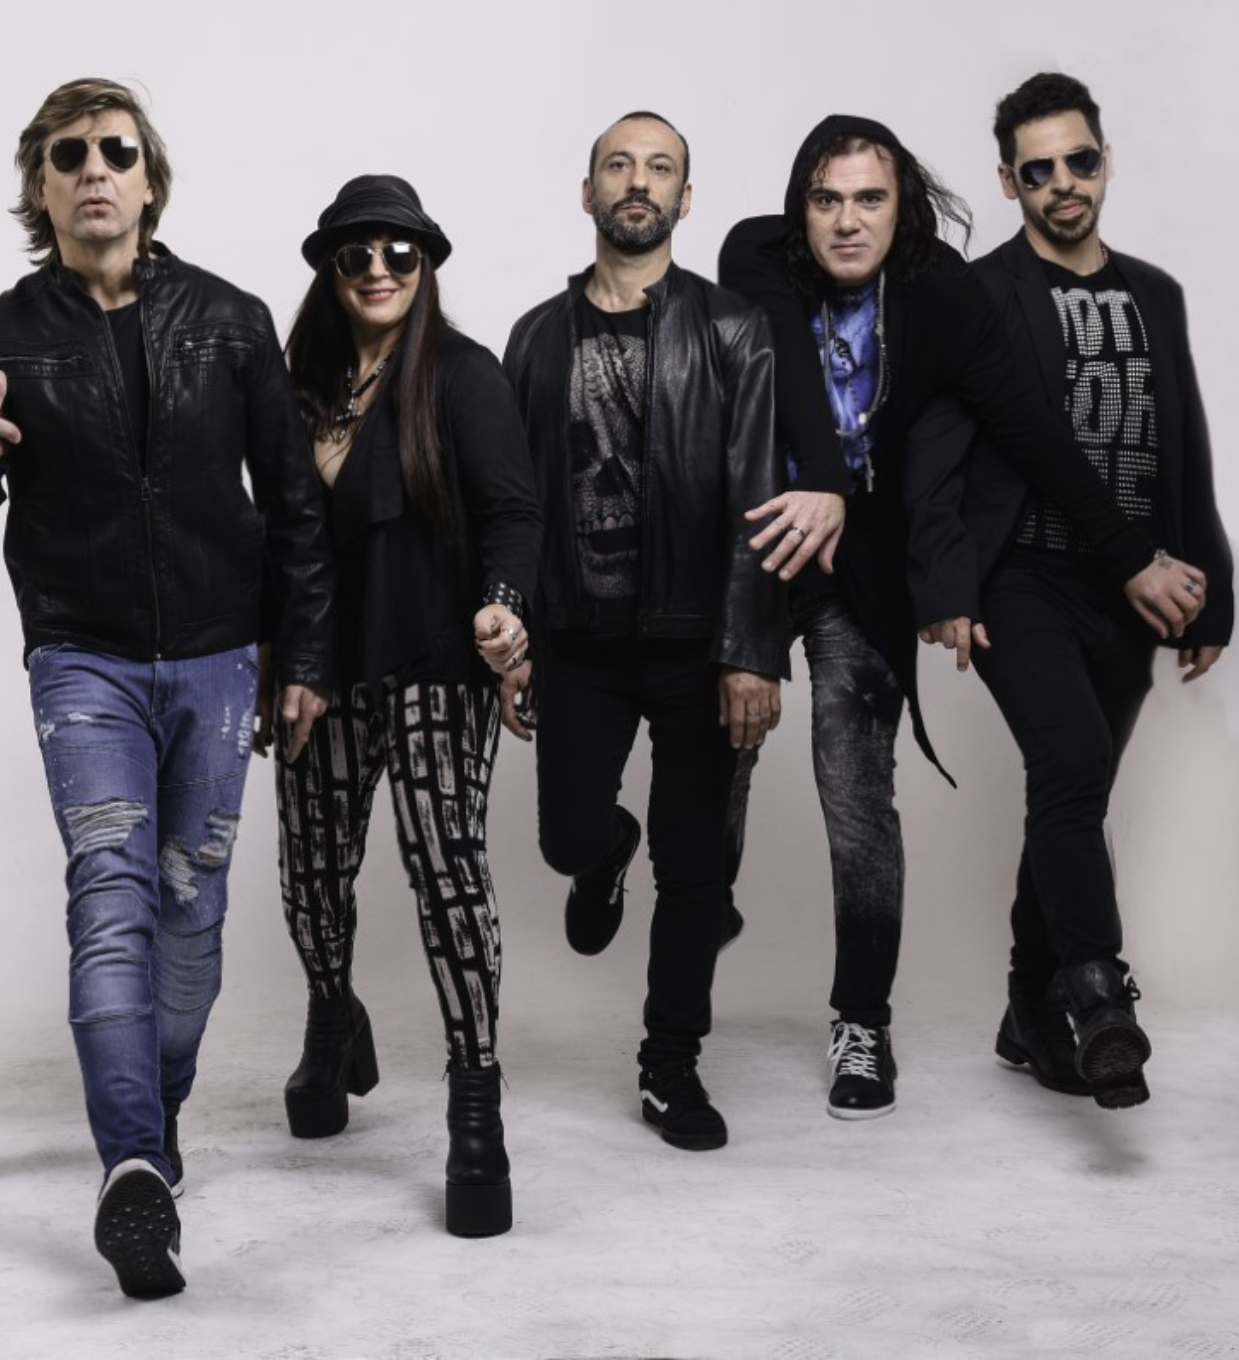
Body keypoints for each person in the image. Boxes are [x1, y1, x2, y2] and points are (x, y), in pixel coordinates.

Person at [0, 78, 335, 1298]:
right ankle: (131, 1163)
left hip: (218, 654)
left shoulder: (230, 319)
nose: (92, 168)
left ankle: (152, 1119)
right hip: (82, 657)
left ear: (148, 178)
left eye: (114, 150)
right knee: (110, 894)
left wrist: (304, 654)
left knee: (190, 910)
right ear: (39, 186)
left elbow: (292, 503)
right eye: (67, 154)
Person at [717, 114, 1206, 1121]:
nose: (845, 221)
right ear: (798, 205)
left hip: (862, 575)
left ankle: (862, 1020)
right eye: (824, 199)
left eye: (869, 198)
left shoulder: (938, 290)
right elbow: (793, 372)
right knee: (711, 759)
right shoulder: (754, 254)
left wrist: (1129, 555)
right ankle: (704, 895)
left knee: (858, 794)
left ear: (900, 209)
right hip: (758, 548)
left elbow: (1028, 430)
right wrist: (825, 480)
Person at [907, 72, 1230, 1108]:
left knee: (1070, 791)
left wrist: (1213, 587)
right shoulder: (980, 293)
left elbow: (1182, 442)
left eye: (1078, 161)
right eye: (1037, 170)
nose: (1062, 184)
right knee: (1073, 761)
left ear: (1104, 159)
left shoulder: (1155, 292)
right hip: (1020, 576)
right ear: (1008, 182)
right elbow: (934, 452)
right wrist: (947, 583)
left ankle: (1025, 1008)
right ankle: (1096, 992)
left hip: (1131, 590)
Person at [506, 112, 787, 1152]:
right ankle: (605, 852)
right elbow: (515, 504)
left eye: (658, 167)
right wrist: (515, 632)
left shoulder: (731, 329)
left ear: (684, 197)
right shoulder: (537, 336)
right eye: (617, 166)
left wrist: (750, 649)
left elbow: (759, 496)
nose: (638, 182)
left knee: (695, 867)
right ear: (586, 192)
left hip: (694, 640)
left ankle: (670, 1062)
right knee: (565, 836)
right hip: (577, 636)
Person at [275, 174, 538, 1236]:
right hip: (325, 667)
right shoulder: (300, 386)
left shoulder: (462, 376)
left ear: (425, 266)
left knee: (444, 865)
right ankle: (332, 1014)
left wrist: (505, 609)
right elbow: (276, 535)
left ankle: (476, 1101)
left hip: (436, 654)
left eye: (399, 252)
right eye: (357, 254)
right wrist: (275, 656)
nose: (379, 270)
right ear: (330, 271)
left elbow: (515, 513)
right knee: (308, 877)